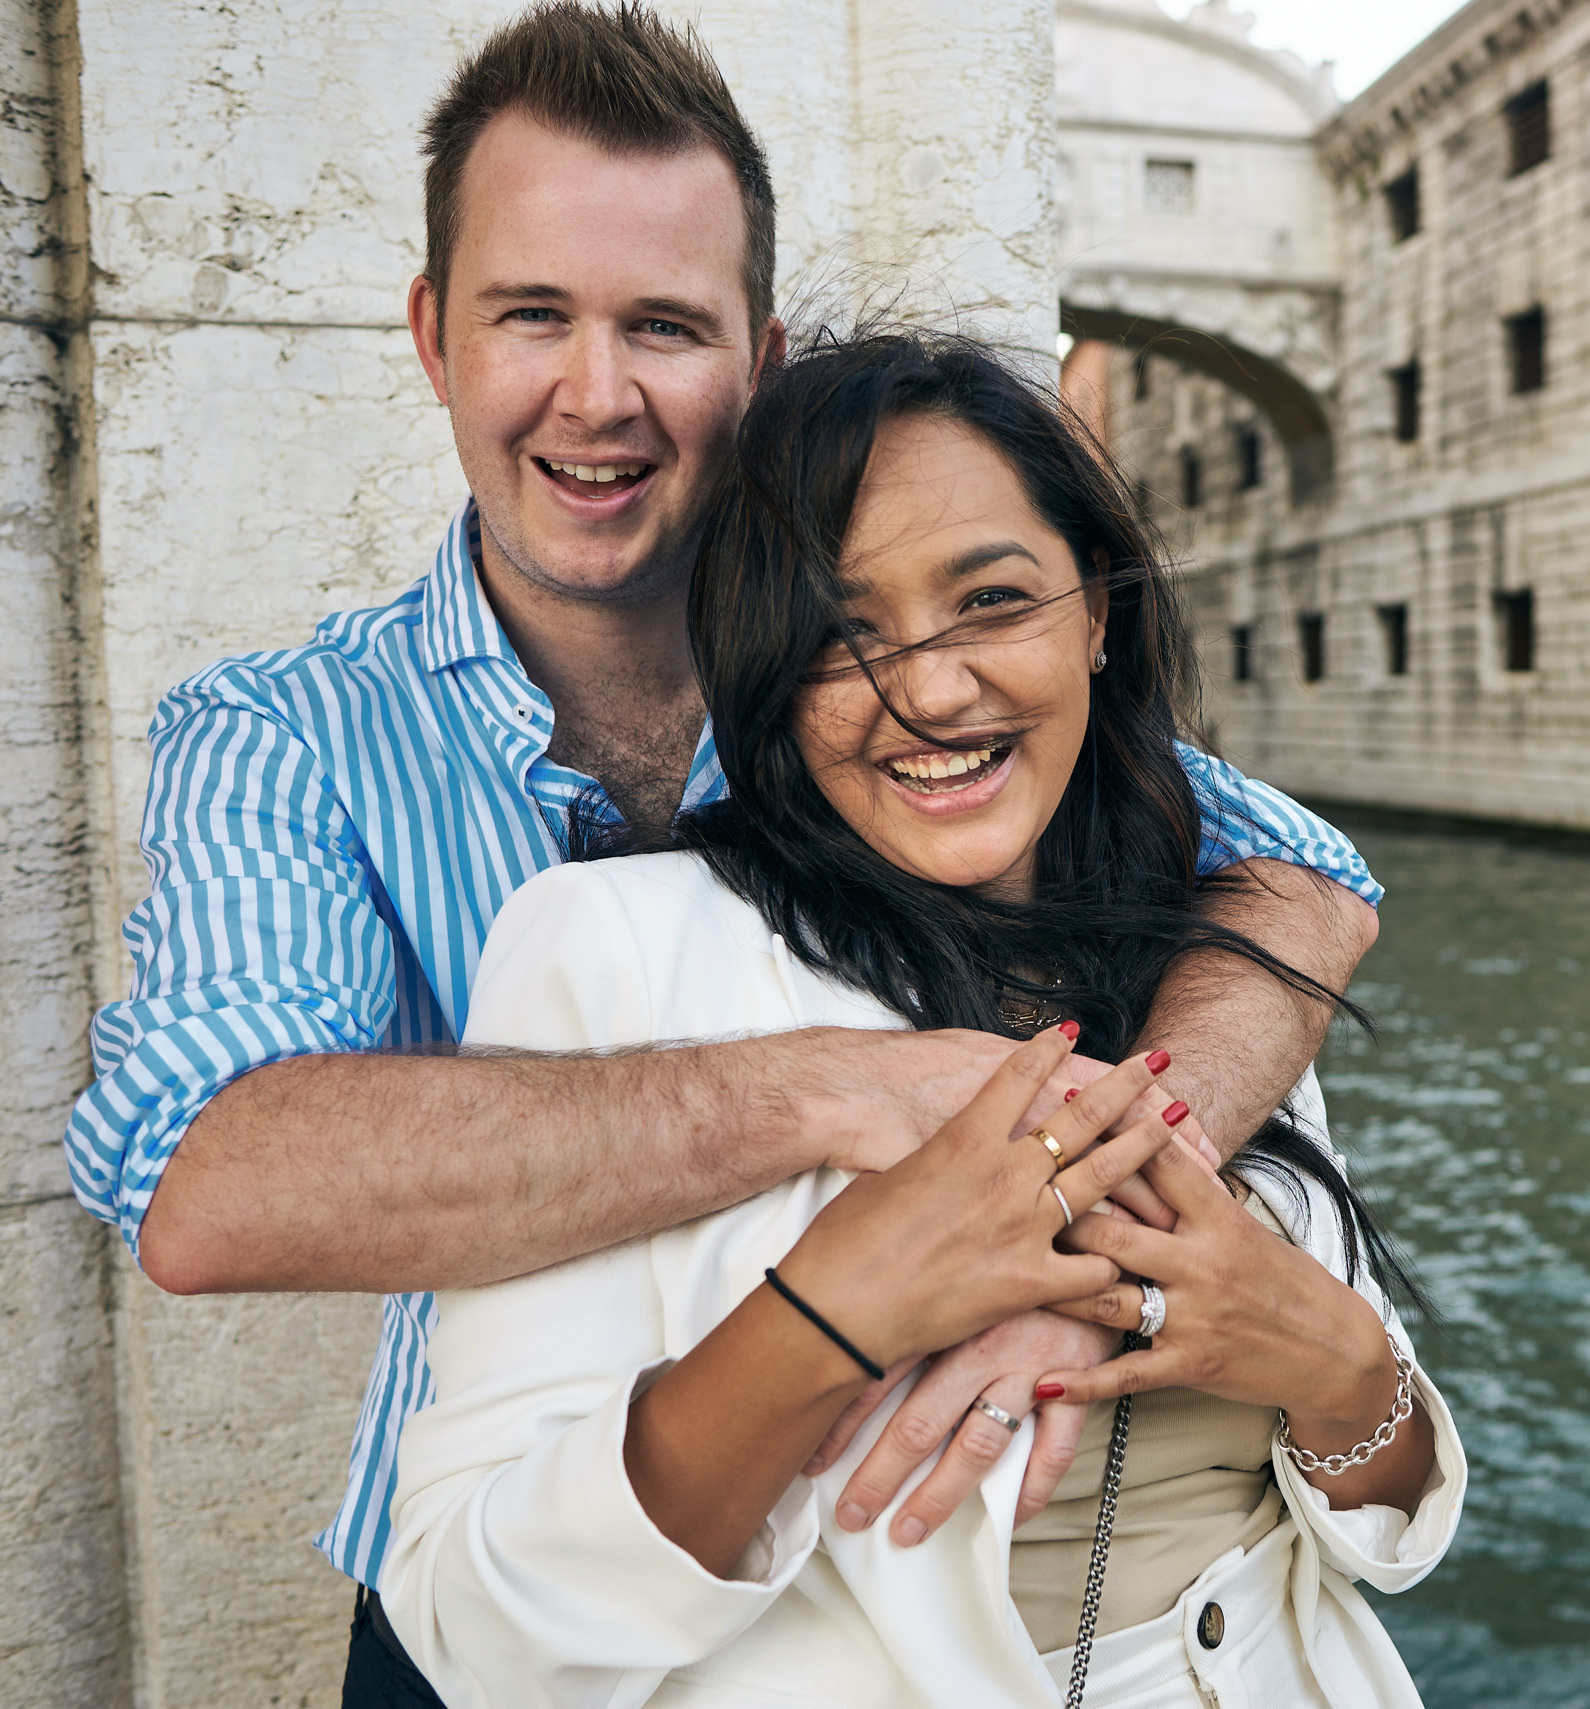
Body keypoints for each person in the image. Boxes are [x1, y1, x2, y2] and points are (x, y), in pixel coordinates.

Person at [55, 5, 1384, 1693]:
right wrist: (820, 1085)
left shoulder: (883, 689)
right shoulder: (281, 730)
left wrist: (1095, 1202)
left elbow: (1297, 882)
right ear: (434, 337)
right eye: (531, 314)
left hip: (881, 1594)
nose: (596, 396)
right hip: (502, 1570)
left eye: (664, 326)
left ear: (755, 360)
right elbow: (202, 1180)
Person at [381, 325, 1462, 1708]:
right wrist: (837, 1305)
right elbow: (476, 1624)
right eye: (844, 632)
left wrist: (1336, 1361)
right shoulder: (614, 949)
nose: (931, 690)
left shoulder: (1206, 951)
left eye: (990, 600)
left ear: (1097, 612)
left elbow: (1389, 1517)